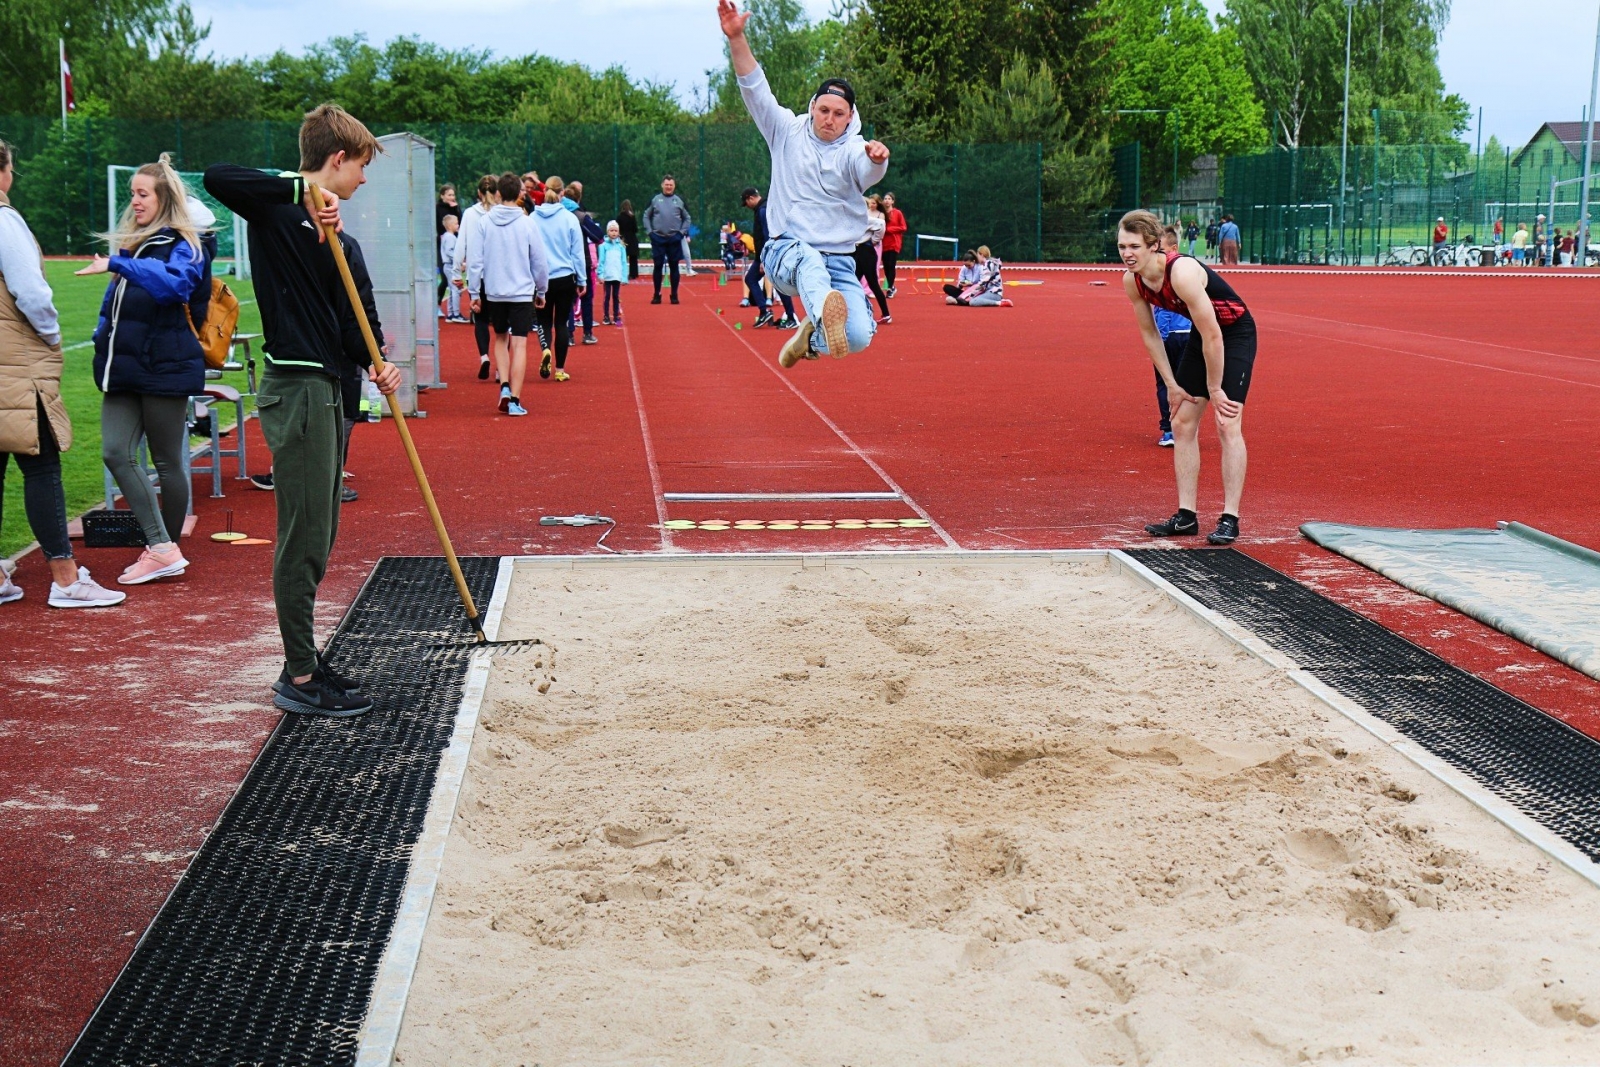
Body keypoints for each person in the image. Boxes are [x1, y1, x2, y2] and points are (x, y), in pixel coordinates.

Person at [204, 103, 403, 718]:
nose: (363, 181)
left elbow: (357, 325)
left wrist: (380, 363)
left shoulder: (344, 242)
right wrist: (301, 186)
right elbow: (216, 175)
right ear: (336, 160)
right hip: (298, 390)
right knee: (303, 538)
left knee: (322, 533)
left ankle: (308, 660)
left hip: (333, 393)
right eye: (361, 167)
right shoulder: (277, 209)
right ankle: (298, 673)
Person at [722, 0, 890, 369]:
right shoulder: (785, 130)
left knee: (858, 337)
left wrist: (877, 160)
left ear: (850, 119)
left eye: (838, 114)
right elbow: (755, 89)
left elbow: (865, 170)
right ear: (813, 106)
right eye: (824, 110)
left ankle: (808, 337)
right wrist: (736, 37)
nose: (829, 119)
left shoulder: (853, 149)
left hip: (839, 264)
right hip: (786, 253)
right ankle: (821, 311)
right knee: (809, 261)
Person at [0, 138, 125, 609]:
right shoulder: (4, 219)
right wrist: (51, 335)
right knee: (43, 464)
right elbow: (31, 293)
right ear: (5, 171)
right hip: (15, 366)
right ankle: (66, 578)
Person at [77, 154, 212, 586]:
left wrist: (118, 264)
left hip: (165, 366)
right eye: (133, 193)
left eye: (143, 194)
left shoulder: (186, 245)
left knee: (169, 462)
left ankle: (163, 549)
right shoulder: (135, 244)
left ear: (164, 198)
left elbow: (174, 285)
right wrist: (101, 336)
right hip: (123, 368)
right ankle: (162, 546)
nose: (134, 201)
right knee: (115, 452)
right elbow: (112, 307)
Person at [1118, 209, 1256, 546]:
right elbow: (1150, 335)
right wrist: (1171, 384)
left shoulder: (1181, 272)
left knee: (1227, 422)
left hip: (1233, 334)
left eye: (1134, 246)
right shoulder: (1132, 280)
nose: (1126, 254)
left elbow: (1214, 335)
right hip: (1203, 335)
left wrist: (1215, 389)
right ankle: (1186, 516)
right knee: (1181, 422)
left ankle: (1230, 517)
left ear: (1154, 245)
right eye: (1121, 246)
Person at [468, 172, 549, 415]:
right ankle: (514, 398)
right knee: (520, 345)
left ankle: (504, 385)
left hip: (494, 293)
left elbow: (475, 260)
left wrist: (474, 292)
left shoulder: (484, 222)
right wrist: (542, 290)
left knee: (501, 340)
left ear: (498, 193)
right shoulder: (527, 223)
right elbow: (540, 262)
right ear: (520, 194)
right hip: (522, 293)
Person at [532, 180, 585, 383]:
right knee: (561, 323)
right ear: (562, 193)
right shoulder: (569, 219)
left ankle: (546, 349)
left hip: (541, 278)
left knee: (543, 321)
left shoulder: (533, 218)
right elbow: (577, 253)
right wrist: (582, 279)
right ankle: (560, 369)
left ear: (544, 192)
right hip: (565, 277)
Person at [1149, 225, 1192, 448]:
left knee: (1167, 382)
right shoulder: (1188, 267)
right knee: (1182, 383)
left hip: (1173, 336)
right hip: (1186, 334)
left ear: (1174, 248)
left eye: (1161, 250)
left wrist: (1161, 338)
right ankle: (1180, 429)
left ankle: (1170, 430)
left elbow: (1164, 309)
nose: (1157, 255)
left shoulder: (1166, 272)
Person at [454, 175, 500, 379]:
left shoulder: (471, 214)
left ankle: (484, 356)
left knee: (480, 318)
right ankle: (502, 368)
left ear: (479, 193)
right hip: (499, 274)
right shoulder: (502, 214)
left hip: (477, 274)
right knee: (501, 324)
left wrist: (456, 271)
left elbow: (461, 242)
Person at [740, 186, 797, 329]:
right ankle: (767, 312)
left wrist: (765, 259)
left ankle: (789, 316)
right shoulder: (762, 208)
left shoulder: (763, 210)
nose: (746, 206)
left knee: (772, 283)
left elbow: (768, 235)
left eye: (746, 203)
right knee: (756, 280)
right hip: (765, 254)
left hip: (768, 255)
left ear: (751, 198)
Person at [564, 180, 604, 344]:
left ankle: (569, 334)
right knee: (586, 297)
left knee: (567, 299)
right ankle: (587, 332)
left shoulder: (556, 215)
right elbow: (599, 236)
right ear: (579, 200)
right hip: (582, 261)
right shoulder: (580, 217)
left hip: (563, 262)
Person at [644, 175, 690, 304]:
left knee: (674, 266)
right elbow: (646, 216)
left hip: (674, 239)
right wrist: (650, 232)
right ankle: (657, 294)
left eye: (671, 185)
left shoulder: (680, 200)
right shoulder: (655, 200)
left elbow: (687, 218)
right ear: (662, 185)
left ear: (674, 186)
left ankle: (674, 295)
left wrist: (681, 233)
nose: (668, 187)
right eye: (666, 184)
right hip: (658, 238)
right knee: (657, 266)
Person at [855, 195, 891, 323]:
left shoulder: (866, 219)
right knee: (852, 282)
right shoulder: (852, 219)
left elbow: (881, 224)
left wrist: (874, 240)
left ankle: (886, 314)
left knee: (873, 284)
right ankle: (856, 313)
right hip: (857, 252)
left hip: (866, 252)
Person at [943, 246, 1008, 306]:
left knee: (973, 302)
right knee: (949, 288)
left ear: (981, 254)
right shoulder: (987, 264)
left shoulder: (988, 265)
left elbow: (982, 283)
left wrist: (971, 294)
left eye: (977, 255)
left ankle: (999, 303)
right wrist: (963, 286)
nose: (977, 257)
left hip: (993, 292)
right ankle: (962, 299)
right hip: (985, 290)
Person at [598, 220, 628, 325]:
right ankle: (606, 316)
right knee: (607, 296)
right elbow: (601, 261)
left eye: (615, 230)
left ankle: (616, 316)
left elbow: (624, 262)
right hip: (607, 276)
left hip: (617, 275)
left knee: (616, 296)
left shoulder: (621, 247)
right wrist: (600, 275)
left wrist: (624, 277)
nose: (614, 233)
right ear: (607, 232)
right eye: (611, 230)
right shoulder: (603, 246)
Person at [438, 214, 464, 322]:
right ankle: (455, 314)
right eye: (456, 223)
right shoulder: (450, 237)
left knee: (453, 288)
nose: (458, 225)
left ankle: (451, 313)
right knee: (455, 289)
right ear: (449, 226)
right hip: (450, 265)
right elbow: (450, 251)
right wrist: (459, 260)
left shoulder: (447, 236)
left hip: (449, 265)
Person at [881, 191, 906, 297]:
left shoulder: (897, 213)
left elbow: (903, 227)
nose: (887, 201)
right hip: (883, 244)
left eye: (889, 199)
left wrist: (889, 229)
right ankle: (892, 286)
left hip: (894, 243)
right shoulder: (881, 213)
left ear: (893, 201)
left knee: (891, 265)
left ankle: (890, 288)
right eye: (885, 199)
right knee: (886, 266)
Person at [617, 199, 640, 281]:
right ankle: (633, 274)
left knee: (622, 257)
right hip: (632, 238)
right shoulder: (632, 217)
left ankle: (621, 273)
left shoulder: (619, 217)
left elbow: (617, 228)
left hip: (623, 238)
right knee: (633, 257)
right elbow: (635, 229)